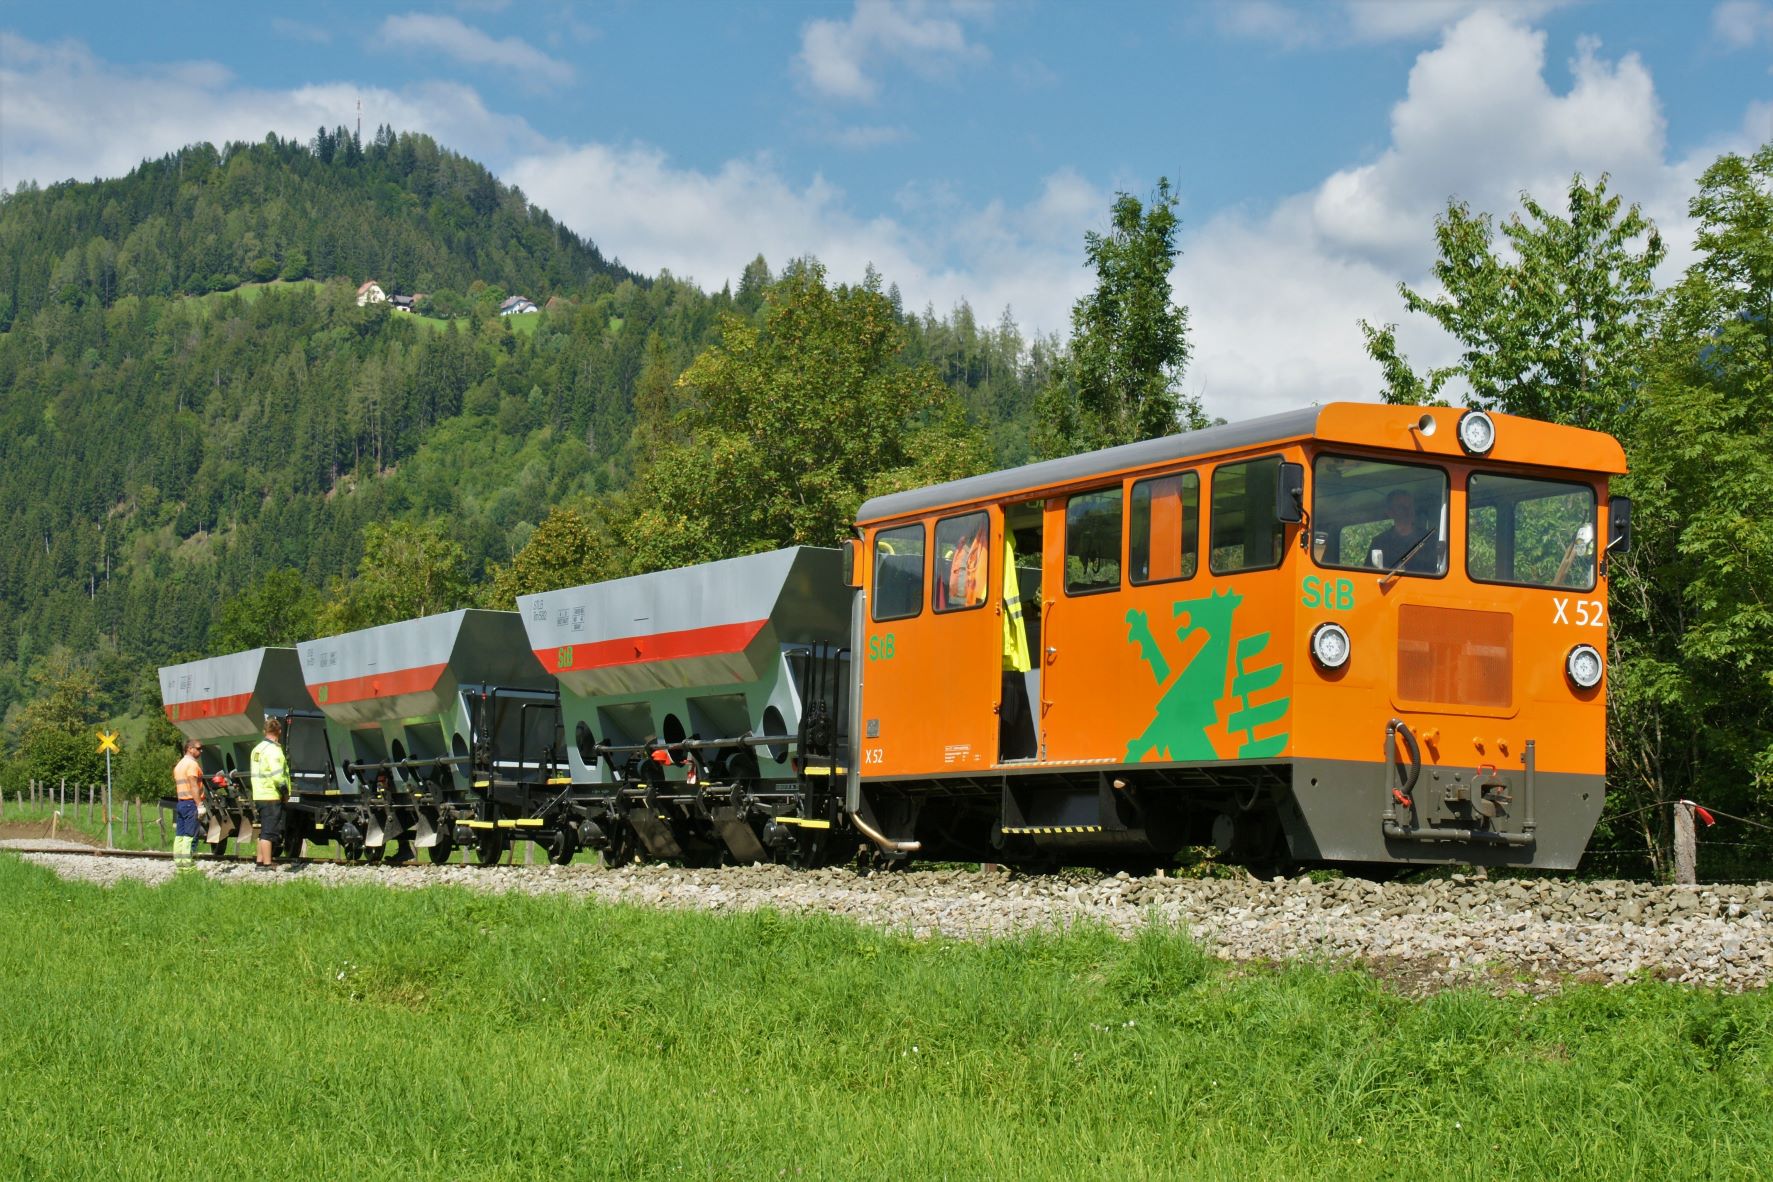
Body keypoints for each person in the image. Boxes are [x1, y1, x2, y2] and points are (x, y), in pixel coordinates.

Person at [250, 716, 293, 871]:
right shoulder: (274, 750)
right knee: (269, 832)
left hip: (259, 794)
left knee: (263, 830)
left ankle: (260, 861)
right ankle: (267, 864)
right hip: (271, 795)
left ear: (264, 731)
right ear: (279, 731)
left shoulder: (257, 749)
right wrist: (285, 793)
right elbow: (277, 777)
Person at [1368, 489, 1438, 573]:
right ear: (1390, 512)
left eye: (1410, 506)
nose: (1407, 510)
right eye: (1401, 507)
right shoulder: (1379, 542)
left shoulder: (1429, 538)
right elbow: (1368, 574)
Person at [171, 738, 207, 871]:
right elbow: (193, 786)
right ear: (190, 749)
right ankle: (188, 865)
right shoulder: (192, 765)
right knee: (190, 835)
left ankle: (179, 863)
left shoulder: (180, 764)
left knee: (180, 835)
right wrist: (200, 805)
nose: (201, 751)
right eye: (198, 748)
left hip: (181, 803)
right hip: (190, 803)